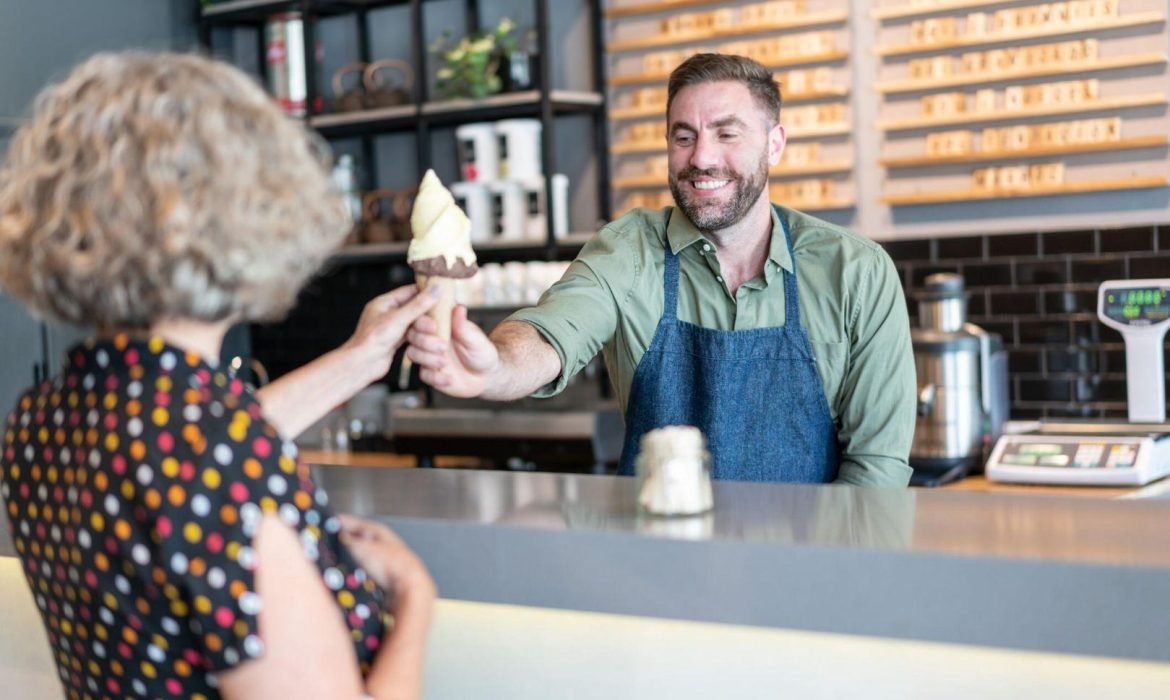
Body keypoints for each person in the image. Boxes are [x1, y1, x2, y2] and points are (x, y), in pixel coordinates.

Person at [0, 52, 437, 699]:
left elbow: (193, 443)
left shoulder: (42, 418)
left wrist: (362, 356)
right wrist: (416, 598)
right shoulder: (214, 446)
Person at [407, 53, 916, 486]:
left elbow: (876, 469)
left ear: (774, 143)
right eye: (684, 137)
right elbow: (552, 333)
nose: (702, 158)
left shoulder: (855, 272)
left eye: (726, 133)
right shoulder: (630, 250)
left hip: (806, 570)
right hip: (657, 565)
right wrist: (493, 365)